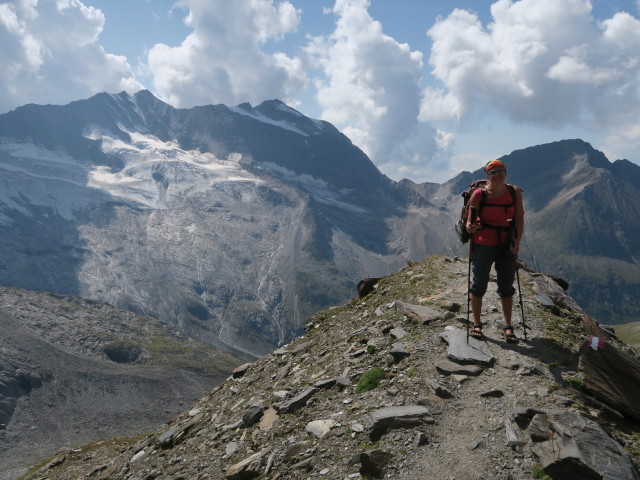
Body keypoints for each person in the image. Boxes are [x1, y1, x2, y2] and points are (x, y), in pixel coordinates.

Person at [466, 159, 524, 343]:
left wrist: (517, 242)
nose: (498, 175)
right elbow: (469, 223)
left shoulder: (513, 193)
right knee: (479, 285)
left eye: (501, 171)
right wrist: (471, 227)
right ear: (487, 175)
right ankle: (476, 324)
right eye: (493, 172)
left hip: (506, 244)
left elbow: (519, 219)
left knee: (506, 287)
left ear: (506, 173)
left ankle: (508, 326)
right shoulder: (479, 194)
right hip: (483, 243)